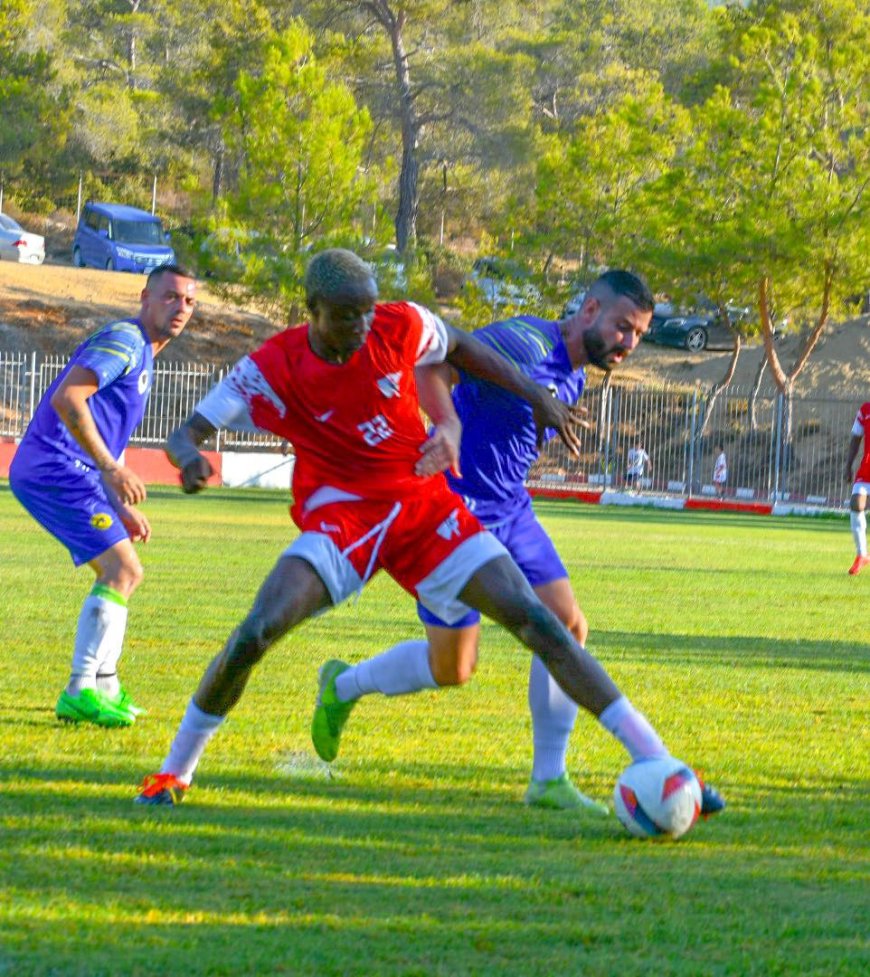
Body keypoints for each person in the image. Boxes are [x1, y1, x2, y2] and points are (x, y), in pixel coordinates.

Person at [135, 249, 721, 818]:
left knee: (542, 621)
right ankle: (174, 771)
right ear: (311, 310)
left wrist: (463, 418)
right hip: (345, 517)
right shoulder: (269, 368)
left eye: (368, 311)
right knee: (258, 631)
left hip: (424, 506)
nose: (364, 327)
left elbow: (456, 343)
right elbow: (188, 431)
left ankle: (659, 761)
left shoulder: (398, 323)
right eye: (347, 316)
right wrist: (190, 461)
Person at [311, 271, 670, 814]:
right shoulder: (525, 340)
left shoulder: (572, 374)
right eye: (623, 327)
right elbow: (433, 361)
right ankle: (345, 685)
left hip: (510, 509)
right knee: (452, 668)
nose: (629, 344)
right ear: (590, 308)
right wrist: (447, 425)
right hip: (450, 510)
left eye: (639, 334)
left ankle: (548, 779)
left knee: (567, 623)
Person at [9, 264, 198, 727]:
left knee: (126, 571)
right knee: (121, 569)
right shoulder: (125, 341)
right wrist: (113, 471)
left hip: (73, 471)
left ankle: (106, 686)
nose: (180, 309)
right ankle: (80, 689)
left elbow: (104, 431)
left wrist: (117, 505)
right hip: (54, 467)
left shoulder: (144, 355)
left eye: (189, 302)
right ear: (145, 297)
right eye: (170, 297)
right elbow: (69, 399)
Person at [845, 401, 870, 576]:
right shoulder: (865, 410)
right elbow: (855, 438)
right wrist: (848, 465)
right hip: (866, 469)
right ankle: (862, 555)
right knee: (856, 503)